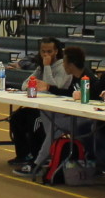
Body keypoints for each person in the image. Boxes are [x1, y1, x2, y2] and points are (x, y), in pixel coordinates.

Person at [16, 46, 102, 176]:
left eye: (64, 62)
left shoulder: (88, 78)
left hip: (89, 118)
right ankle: (50, 154)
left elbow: (96, 100)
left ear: (71, 64)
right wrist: (49, 87)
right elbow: (67, 92)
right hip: (76, 113)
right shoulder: (74, 77)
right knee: (48, 113)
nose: (63, 66)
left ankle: (38, 163)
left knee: (56, 127)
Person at [7, 37, 70, 166]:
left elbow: (53, 88)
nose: (46, 55)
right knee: (16, 118)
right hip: (38, 105)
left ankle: (38, 158)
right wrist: (39, 80)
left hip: (54, 108)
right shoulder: (40, 67)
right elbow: (25, 84)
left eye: (49, 51)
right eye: (43, 52)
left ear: (56, 51)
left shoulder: (62, 67)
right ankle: (23, 154)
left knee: (35, 122)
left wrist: (47, 67)